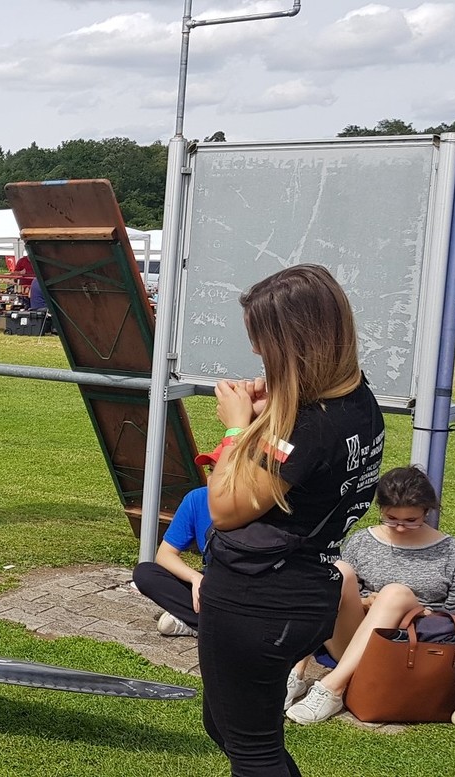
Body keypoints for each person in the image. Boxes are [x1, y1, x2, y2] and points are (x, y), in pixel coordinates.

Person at [196, 264, 384, 776]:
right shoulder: (357, 401)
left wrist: (237, 429)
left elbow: (225, 509)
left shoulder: (308, 427)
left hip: (260, 601)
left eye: (263, 341)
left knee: (252, 751)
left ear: (293, 342)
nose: (256, 351)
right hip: (303, 592)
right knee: (230, 728)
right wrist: (266, 418)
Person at [284, 466, 455, 724]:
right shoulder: (363, 542)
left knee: (395, 593)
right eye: (391, 519)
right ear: (381, 510)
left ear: (427, 511)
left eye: (411, 520)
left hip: (412, 651)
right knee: (338, 571)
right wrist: (366, 602)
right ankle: (295, 672)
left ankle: (332, 688)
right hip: (354, 641)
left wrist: (422, 614)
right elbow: (341, 596)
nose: (400, 527)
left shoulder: (454, 552)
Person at [132, 487, 214, 637]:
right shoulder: (198, 498)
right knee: (145, 574)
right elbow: (165, 554)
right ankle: (207, 623)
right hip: (210, 580)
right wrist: (195, 578)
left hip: (243, 585)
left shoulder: (254, 503)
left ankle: (198, 622)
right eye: (211, 472)